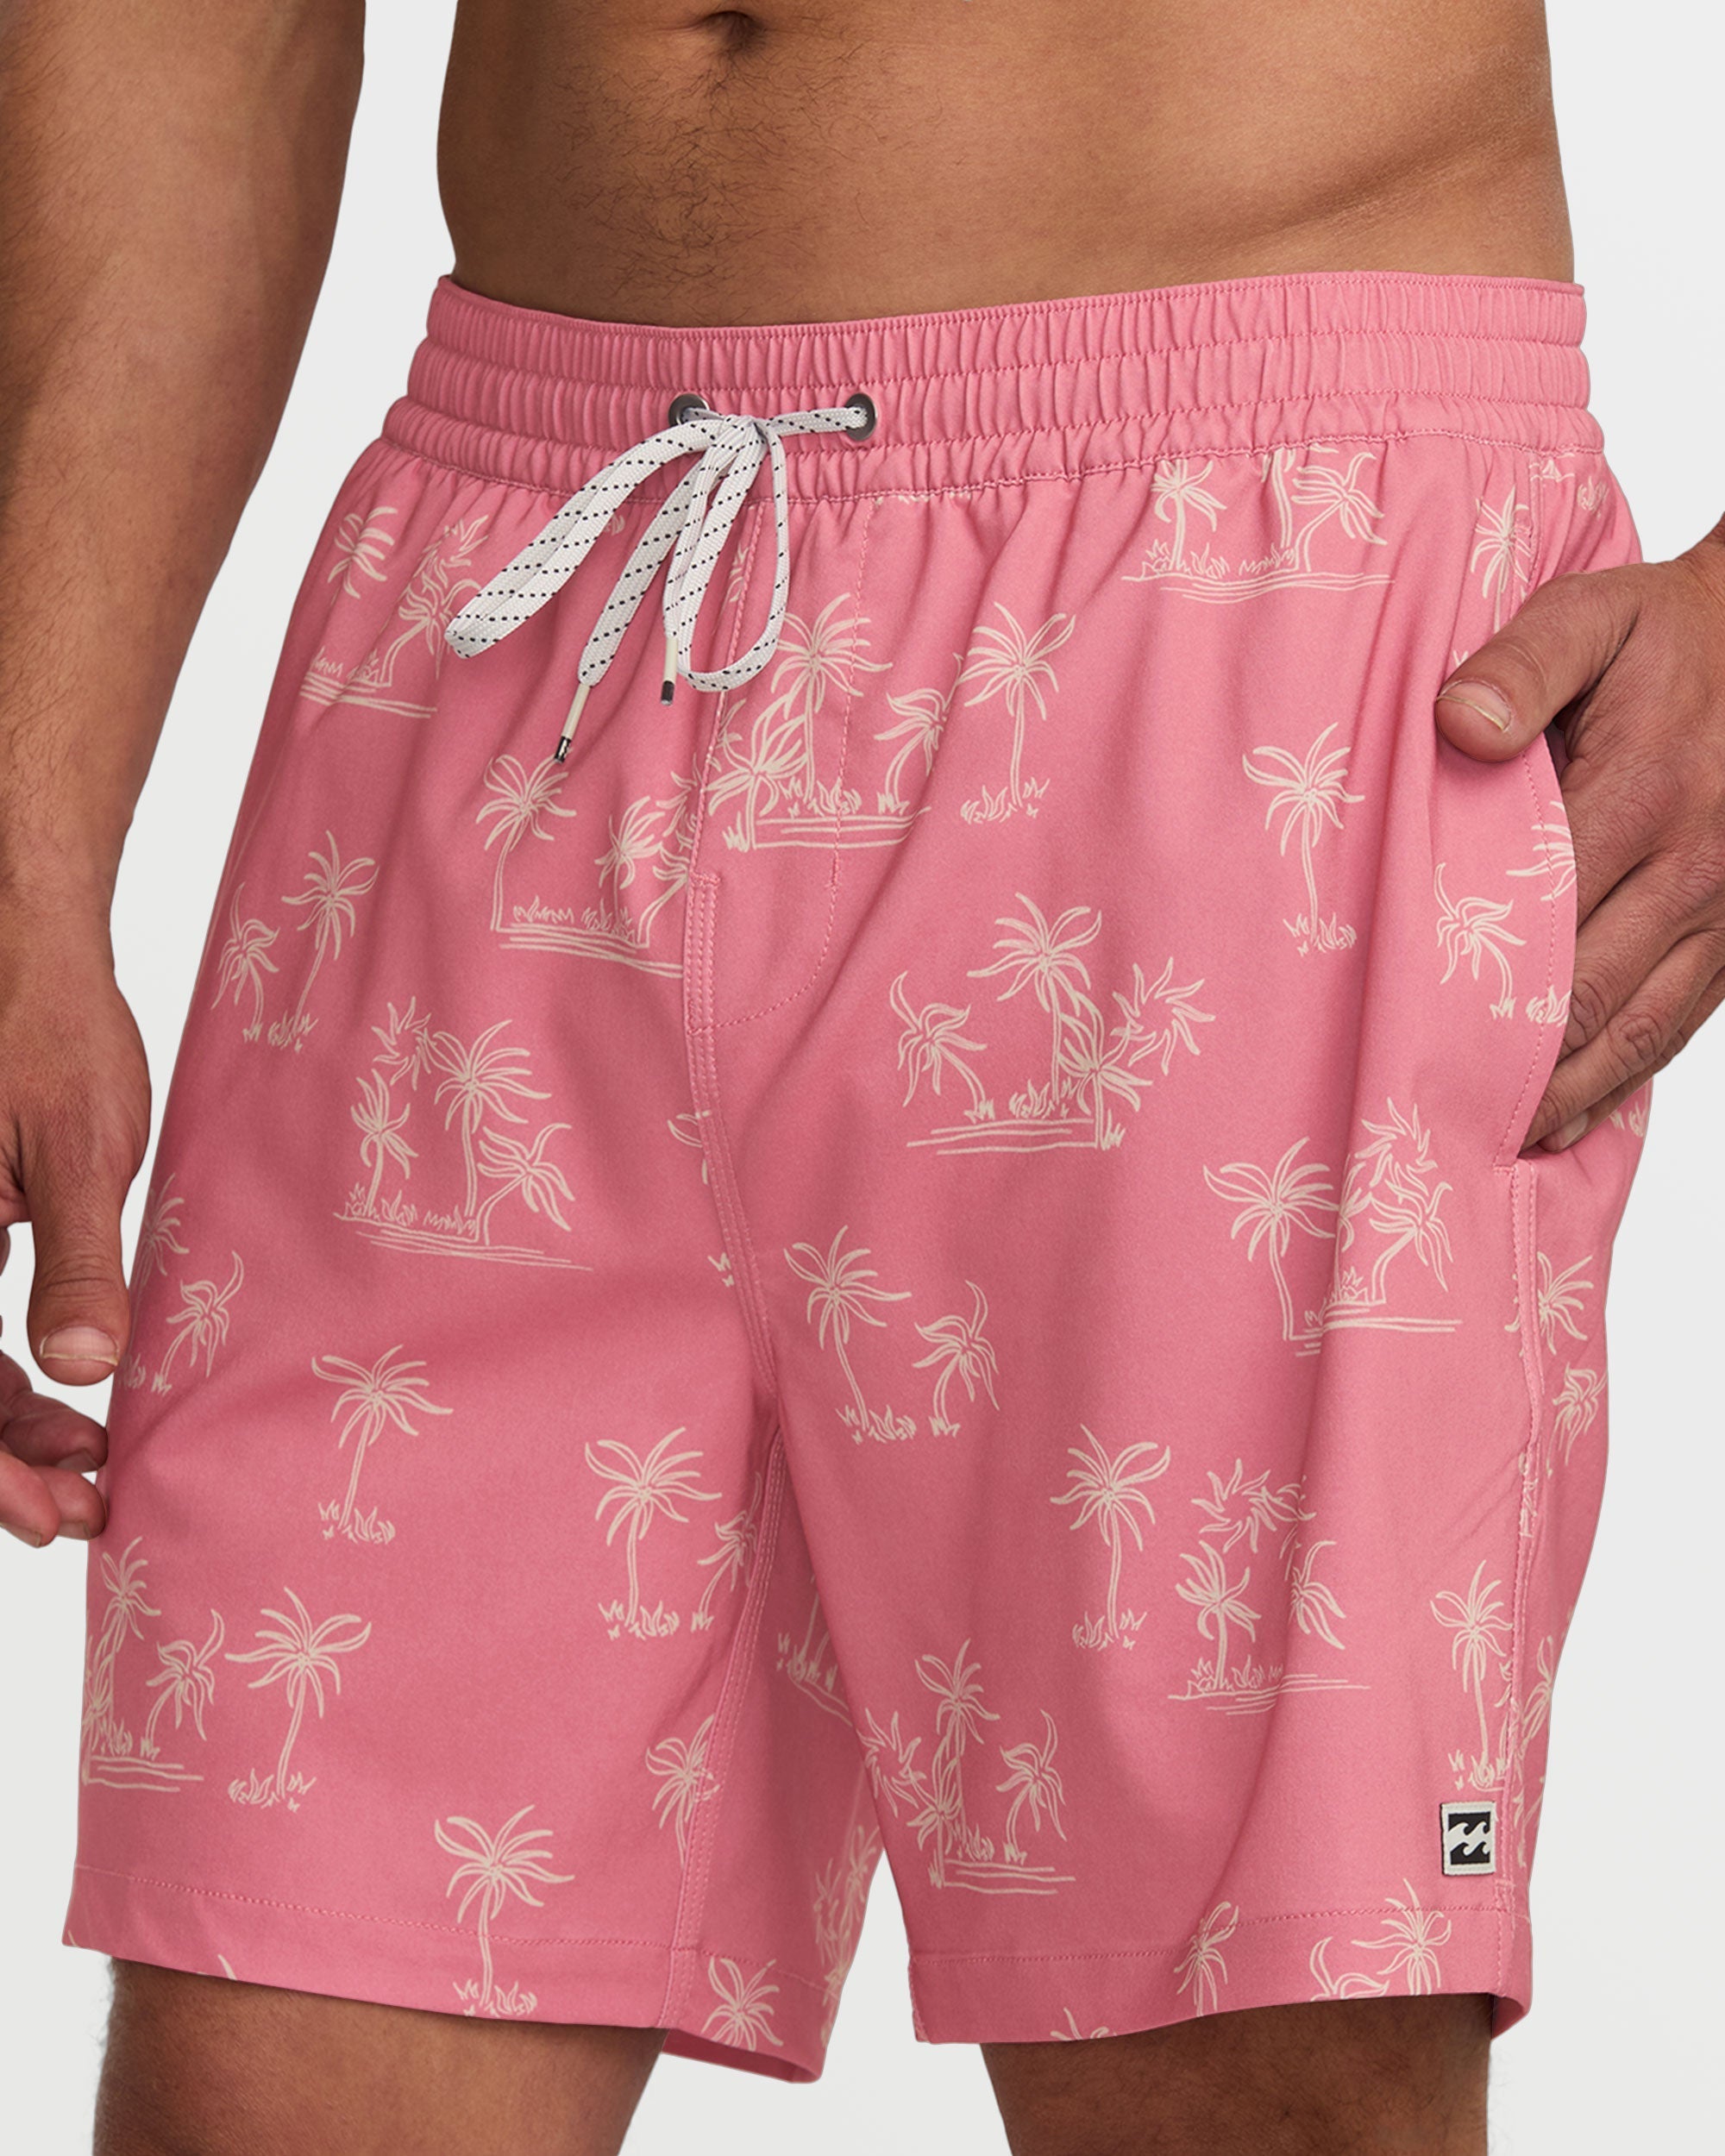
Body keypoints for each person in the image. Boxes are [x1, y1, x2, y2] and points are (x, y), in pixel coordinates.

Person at [3, 3, 1722, 2151]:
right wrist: (23, 838)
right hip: (518, 613)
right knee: (272, 2062)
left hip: (1247, 604)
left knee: (1258, 2084)